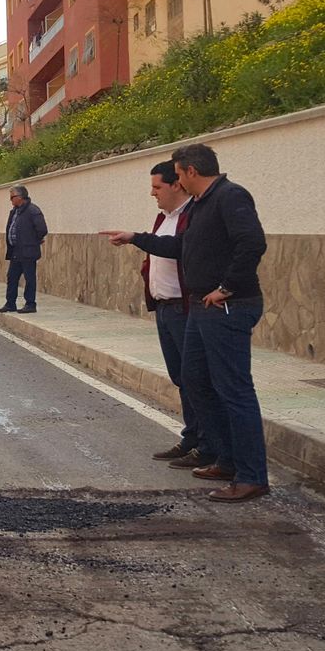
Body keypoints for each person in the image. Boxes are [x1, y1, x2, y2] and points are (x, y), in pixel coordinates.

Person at [101, 143, 269, 503]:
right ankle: (224, 458)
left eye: (178, 175)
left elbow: (252, 243)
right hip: (201, 308)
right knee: (194, 379)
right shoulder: (200, 206)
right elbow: (179, 248)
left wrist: (226, 288)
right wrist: (135, 238)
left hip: (228, 308)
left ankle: (252, 476)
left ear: (191, 171)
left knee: (234, 391)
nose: (176, 182)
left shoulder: (230, 196)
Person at [137, 162, 218, 471]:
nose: (152, 193)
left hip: (185, 309)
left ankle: (209, 446)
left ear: (177, 185)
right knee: (181, 378)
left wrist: (136, 237)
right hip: (165, 309)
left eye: (158, 187)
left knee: (197, 379)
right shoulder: (164, 217)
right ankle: (192, 437)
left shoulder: (190, 217)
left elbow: (177, 250)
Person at [0, 184, 48, 315]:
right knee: (12, 277)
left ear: (20, 197)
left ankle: (30, 304)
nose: (11, 200)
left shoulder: (32, 210)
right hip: (16, 251)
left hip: (28, 251)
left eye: (12, 197)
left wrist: (33, 241)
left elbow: (42, 229)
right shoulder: (14, 212)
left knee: (29, 277)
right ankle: (10, 303)